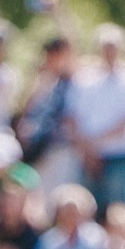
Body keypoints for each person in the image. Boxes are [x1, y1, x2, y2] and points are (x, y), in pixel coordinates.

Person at [72, 25, 125, 216]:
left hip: (119, 157)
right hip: (88, 157)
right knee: (87, 209)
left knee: (118, 211)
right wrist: (88, 150)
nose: (109, 52)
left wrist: (95, 145)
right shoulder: (84, 80)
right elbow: (74, 117)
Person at [16, 36, 81, 191]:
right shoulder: (45, 81)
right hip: (38, 149)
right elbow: (27, 109)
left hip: (61, 149)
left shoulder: (75, 81)